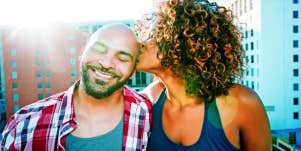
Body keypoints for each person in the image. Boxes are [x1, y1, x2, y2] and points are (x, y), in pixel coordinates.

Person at [135, 0, 272, 150]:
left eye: (153, 35)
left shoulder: (242, 103)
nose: (141, 43)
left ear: (185, 45)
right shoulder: (148, 100)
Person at [1, 23, 152, 151]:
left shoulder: (147, 116)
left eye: (122, 58)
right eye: (99, 49)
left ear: (133, 72)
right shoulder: (24, 125)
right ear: (82, 52)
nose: (106, 63)